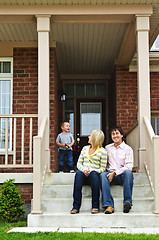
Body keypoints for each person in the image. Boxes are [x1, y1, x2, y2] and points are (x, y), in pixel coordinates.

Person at [70, 129, 107, 214]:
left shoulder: (103, 151)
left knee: (94, 174)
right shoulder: (85, 148)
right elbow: (79, 164)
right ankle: (76, 206)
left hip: (94, 177)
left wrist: (91, 171)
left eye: (90, 135)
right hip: (83, 175)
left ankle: (95, 206)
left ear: (94, 138)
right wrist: (84, 170)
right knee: (78, 173)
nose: (88, 137)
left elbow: (103, 168)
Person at [100, 126, 133, 214]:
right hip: (110, 176)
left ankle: (127, 202)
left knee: (128, 173)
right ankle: (109, 205)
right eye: (113, 134)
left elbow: (129, 166)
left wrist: (115, 173)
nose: (115, 136)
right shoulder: (107, 148)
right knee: (102, 175)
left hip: (122, 176)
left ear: (122, 135)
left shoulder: (128, 149)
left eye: (117, 133)